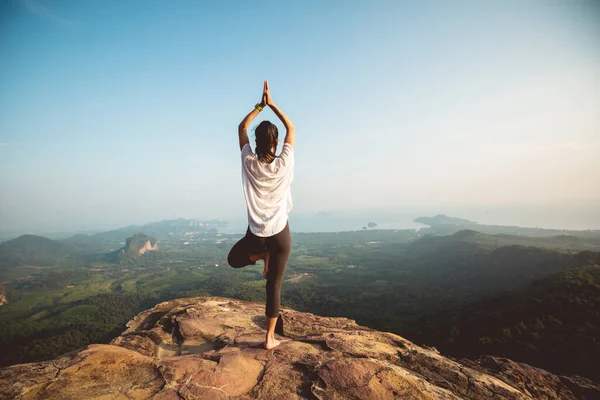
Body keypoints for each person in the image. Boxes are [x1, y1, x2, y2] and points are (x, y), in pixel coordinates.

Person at [227, 80, 295, 350]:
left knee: (234, 259)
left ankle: (259, 256)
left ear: (255, 142)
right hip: (280, 235)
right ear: (276, 142)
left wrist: (259, 105)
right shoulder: (284, 161)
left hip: (256, 236)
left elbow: (241, 127)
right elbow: (292, 128)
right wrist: (273, 105)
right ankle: (269, 338)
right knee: (274, 285)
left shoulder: (248, 161)